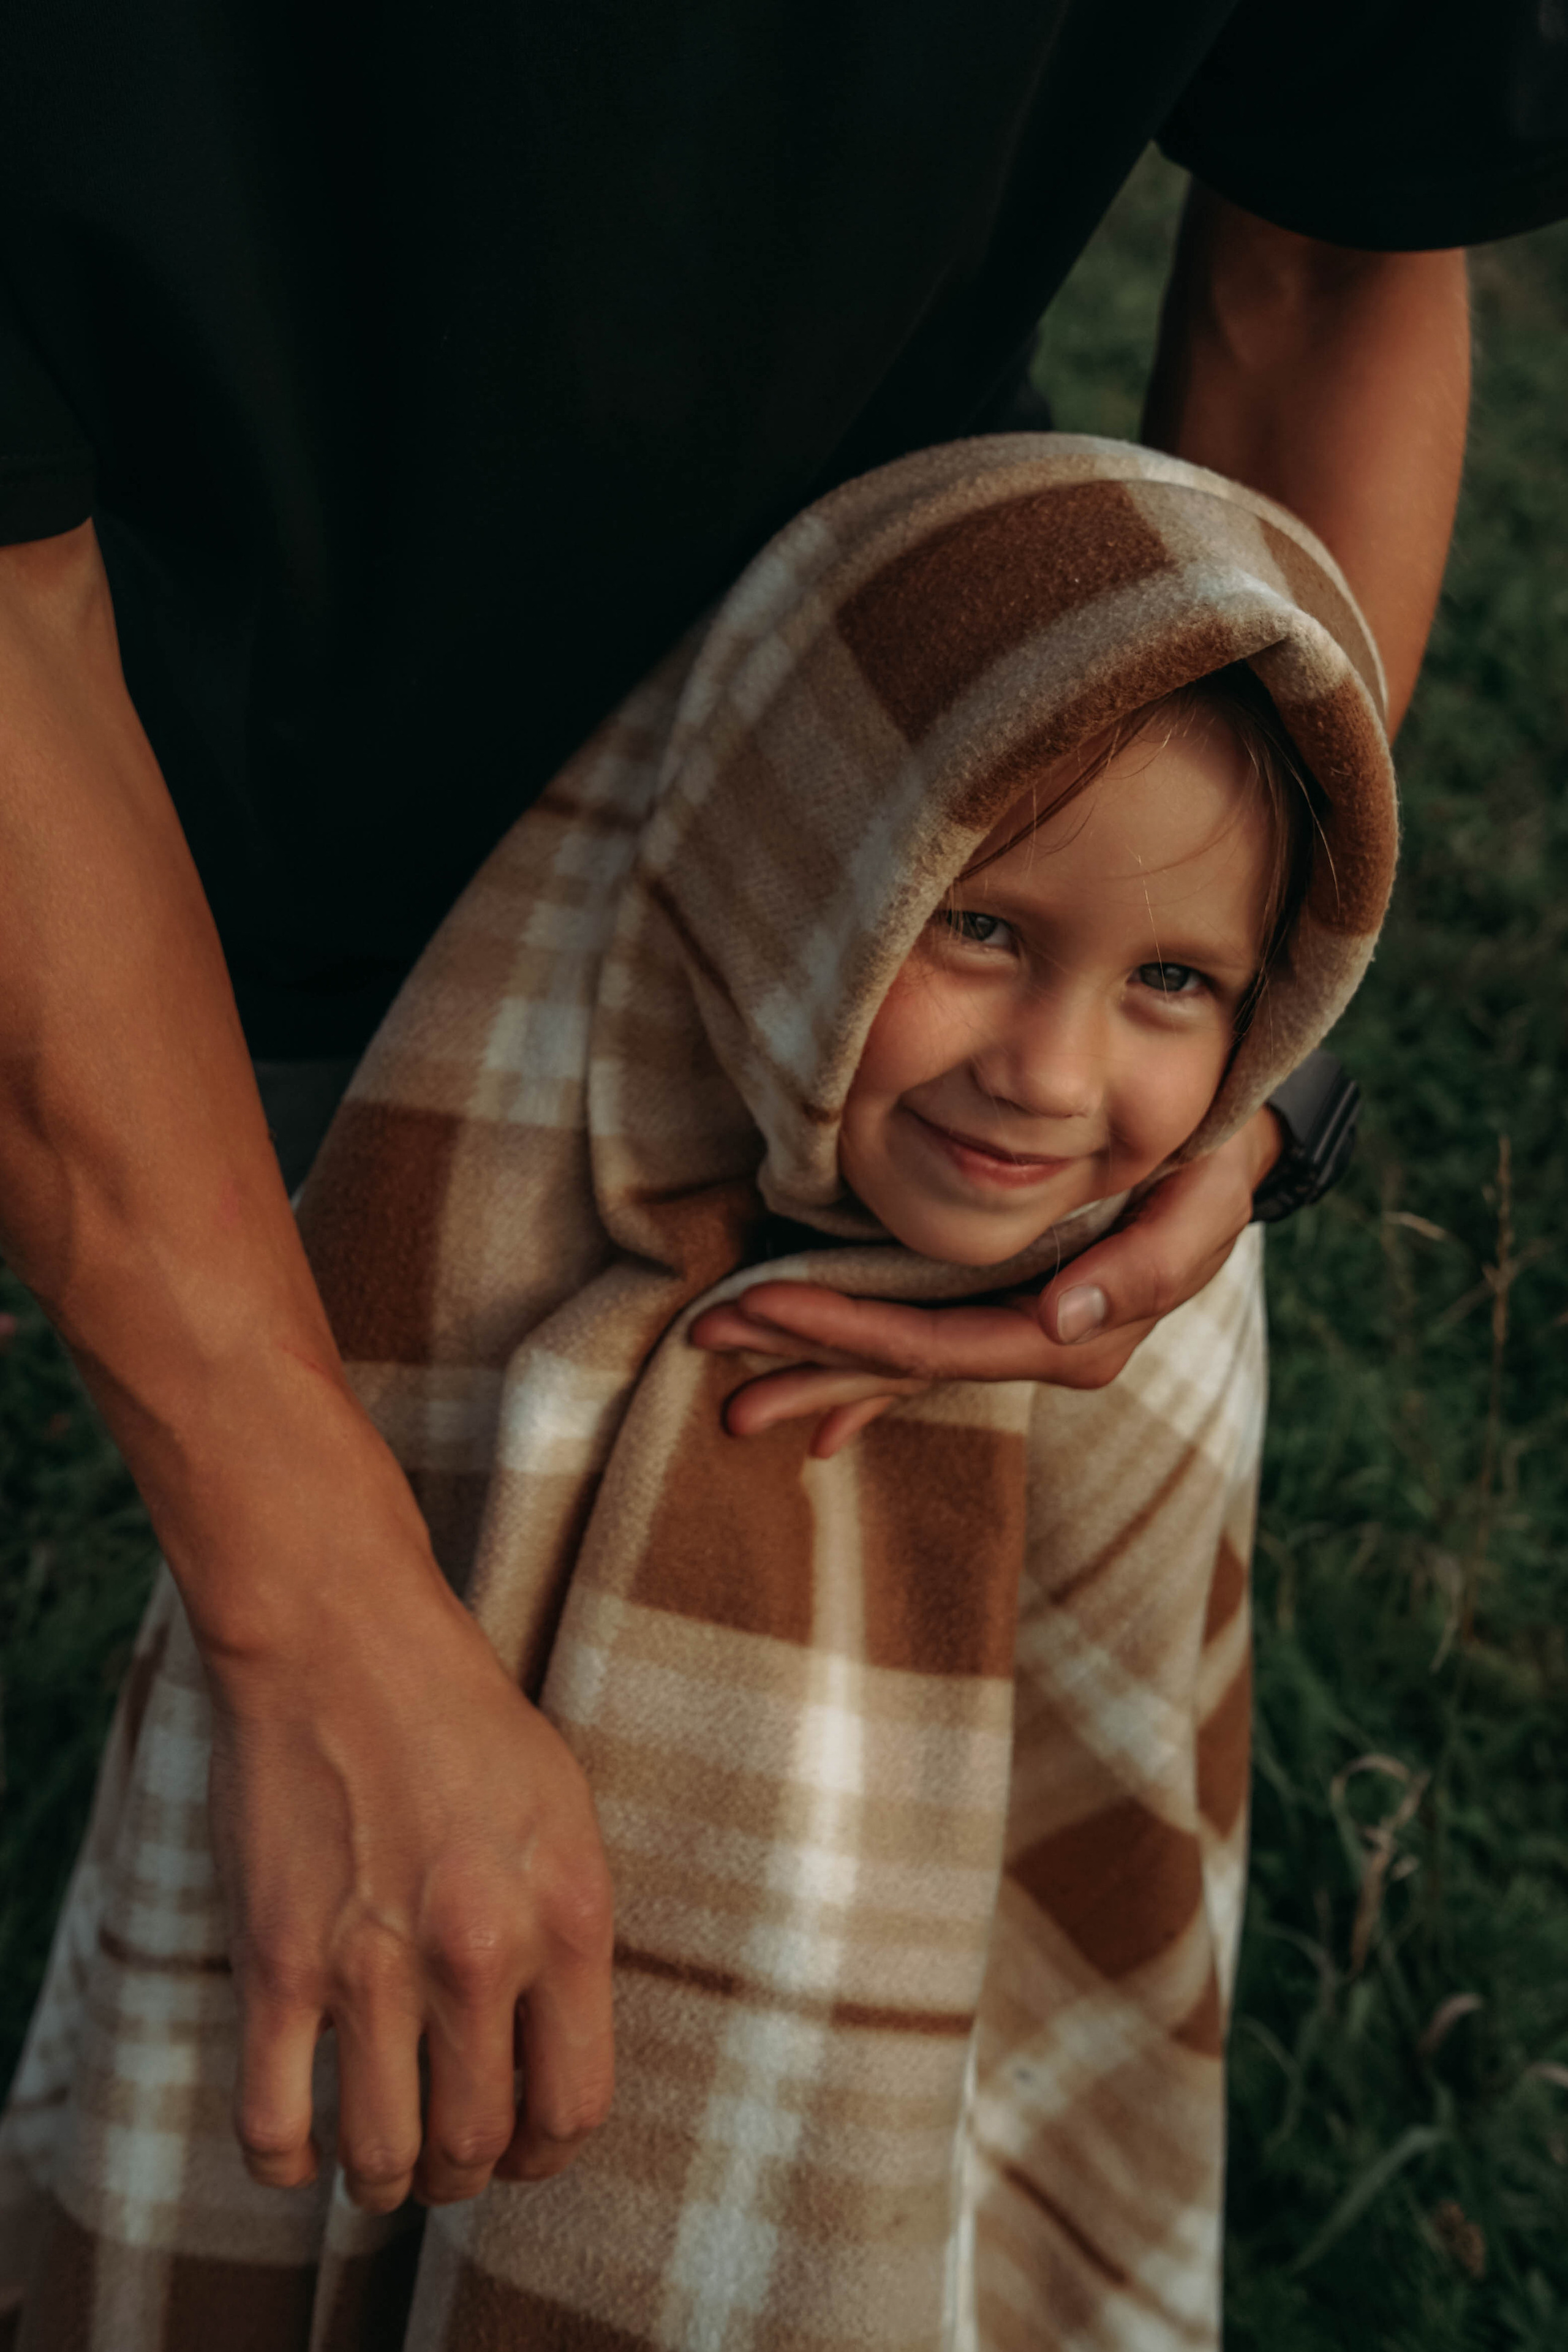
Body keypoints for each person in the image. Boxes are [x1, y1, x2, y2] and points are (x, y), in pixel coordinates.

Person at [0, 0, 1557, 2222]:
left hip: (918, 813)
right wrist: (307, 1598)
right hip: (192, 813)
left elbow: (1335, 238)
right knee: (361, 1920)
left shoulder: (1072, 1042)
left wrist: (1236, 1024)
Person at [1, 435, 1397, 2347]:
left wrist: (1249, 1141)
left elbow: (1108, 1844)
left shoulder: (1123, 1347)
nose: (1058, 1081)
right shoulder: (470, 1257)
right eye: (978, 928)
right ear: (795, 885)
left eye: (1177, 984)